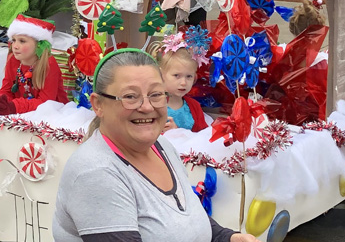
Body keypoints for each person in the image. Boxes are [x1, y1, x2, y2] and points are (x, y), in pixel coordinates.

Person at [54, 48, 261, 242]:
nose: (146, 107)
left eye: (155, 94)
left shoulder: (161, 146)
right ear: (98, 104)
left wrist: (226, 237)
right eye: (130, 97)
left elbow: (185, 215)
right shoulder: (96, 173)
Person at [0, 15, 67, 115]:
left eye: (22, 41)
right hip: (22, 112)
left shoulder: (48, 64)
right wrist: (2, 102)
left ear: (39, 45)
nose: (15, 46)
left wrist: (14, 106)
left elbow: (46, 103)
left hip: (51, 114)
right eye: (13, 40)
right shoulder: (13, 59)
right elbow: (6, 89)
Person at [149, 36, 208, 132]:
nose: (183, 83)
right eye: (177, 75)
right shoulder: (152, 104)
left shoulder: (194, 106)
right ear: (160, 75)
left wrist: (178, 132)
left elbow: (202, 136)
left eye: (189, 76)